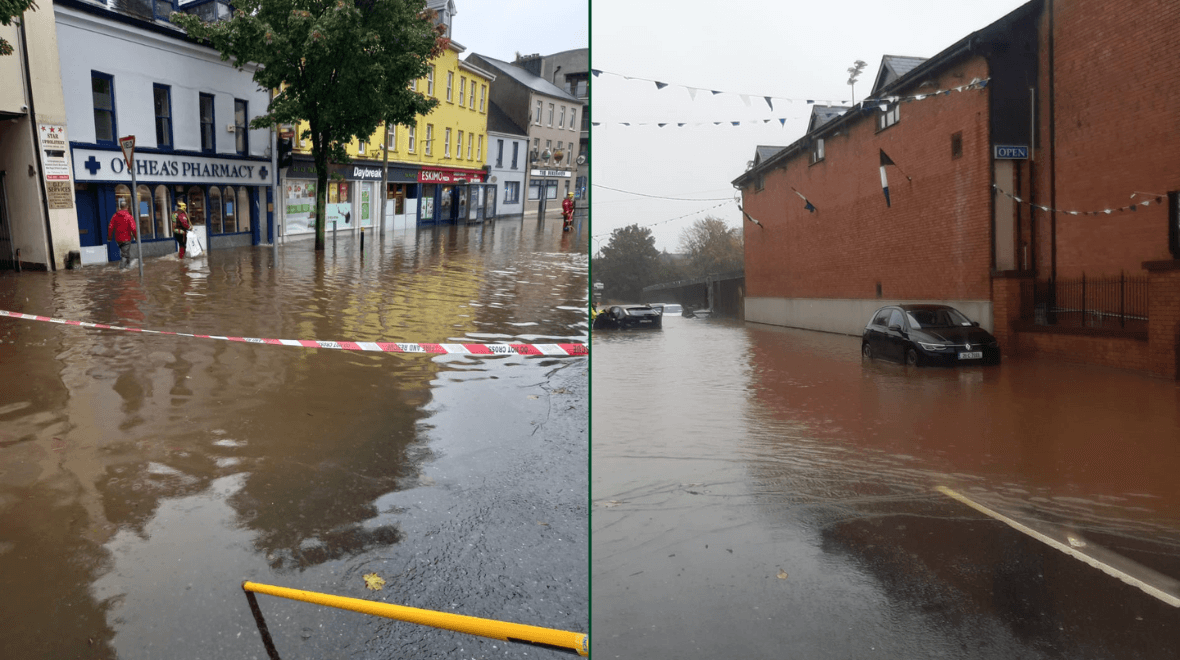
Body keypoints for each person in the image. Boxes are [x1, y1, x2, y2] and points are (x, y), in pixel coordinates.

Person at [107, 198, 137, 269]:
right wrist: (136, 237)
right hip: (126, 238)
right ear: (127, 207)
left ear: (120, 207)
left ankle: (128, 267)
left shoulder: (115, 216)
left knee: (125, 253)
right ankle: (122, 270)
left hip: (118, 239)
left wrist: (109, 236)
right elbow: (133, 228)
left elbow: (110, 227)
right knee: (124, 254)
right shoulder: (129, 216)